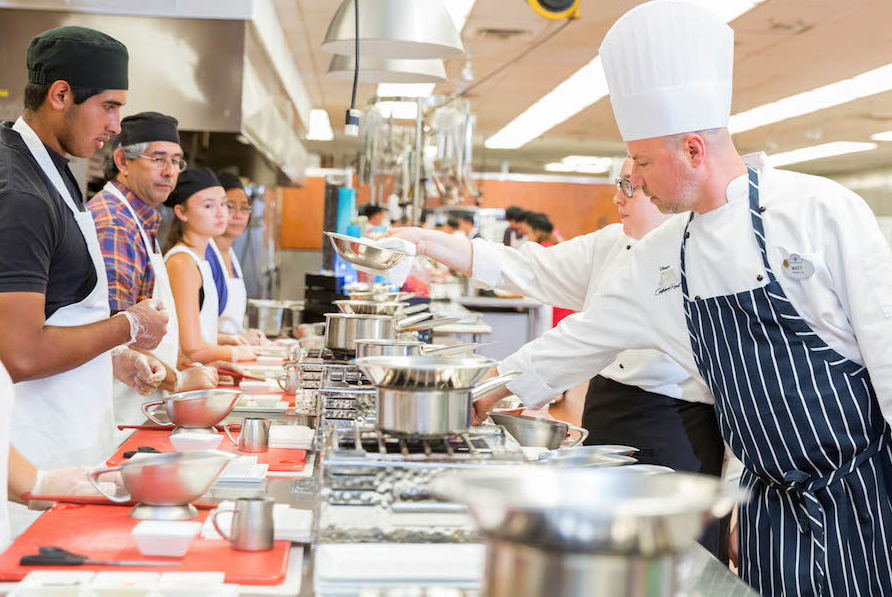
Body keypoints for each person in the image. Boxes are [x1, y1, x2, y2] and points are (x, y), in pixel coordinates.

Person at [450, 2, 892, 594]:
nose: (634, 180)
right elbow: (581, 338)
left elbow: (887, 350)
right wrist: (479, 395)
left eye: (641, 161)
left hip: (860, 494)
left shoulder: (820, 211)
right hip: (764, 507)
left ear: (693, 150)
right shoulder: (664, 254)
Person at [387, 157, 731, 557]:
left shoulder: (689, 260)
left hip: (673, 431)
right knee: (601, 558)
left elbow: (586, 337)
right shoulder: (612, 242)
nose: (617, 197)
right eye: (619, 183)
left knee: (661, 566)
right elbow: (528, 266)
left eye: (631, 186)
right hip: (607, 413)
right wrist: (426, 242)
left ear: (668, 195)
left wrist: (493, 385)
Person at [0, 26, 169, 534]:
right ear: (60, 95)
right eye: (108, 107)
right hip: (34, 461)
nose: (115, 125)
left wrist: (109, 358)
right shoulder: (21, 193)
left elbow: (57, 310)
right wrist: (127, 327)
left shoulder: (52, 172)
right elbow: (20, 353)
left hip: (72, 445)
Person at [86, 112, 232, 429]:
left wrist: (186, 368)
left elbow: (149, 334)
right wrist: (179, 380)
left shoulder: (140, 221)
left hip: (140, 406)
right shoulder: (115, 224)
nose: (170, 171)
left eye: (176, 161)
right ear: (123, 161)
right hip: (118, 414)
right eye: (158, 159)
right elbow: (113, 338)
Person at [164, 168, 255, 364]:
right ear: (181, 212)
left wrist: (223, 339)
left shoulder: (199, 259)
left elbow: (194, 334)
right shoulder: (182, 263)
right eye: (208, 206)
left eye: (222, 204)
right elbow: (192, 350)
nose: (221, 213)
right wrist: (236, 354)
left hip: (202, 372)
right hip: (183, 377)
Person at [205, 171, 267, 344]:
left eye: (245, 207)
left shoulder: (231, 255)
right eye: (230, 206)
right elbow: (193, 333)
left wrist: (245, 334)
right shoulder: (204, 256)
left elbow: (228, 325)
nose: (239, 215)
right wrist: (237, 338)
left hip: (227, 352)